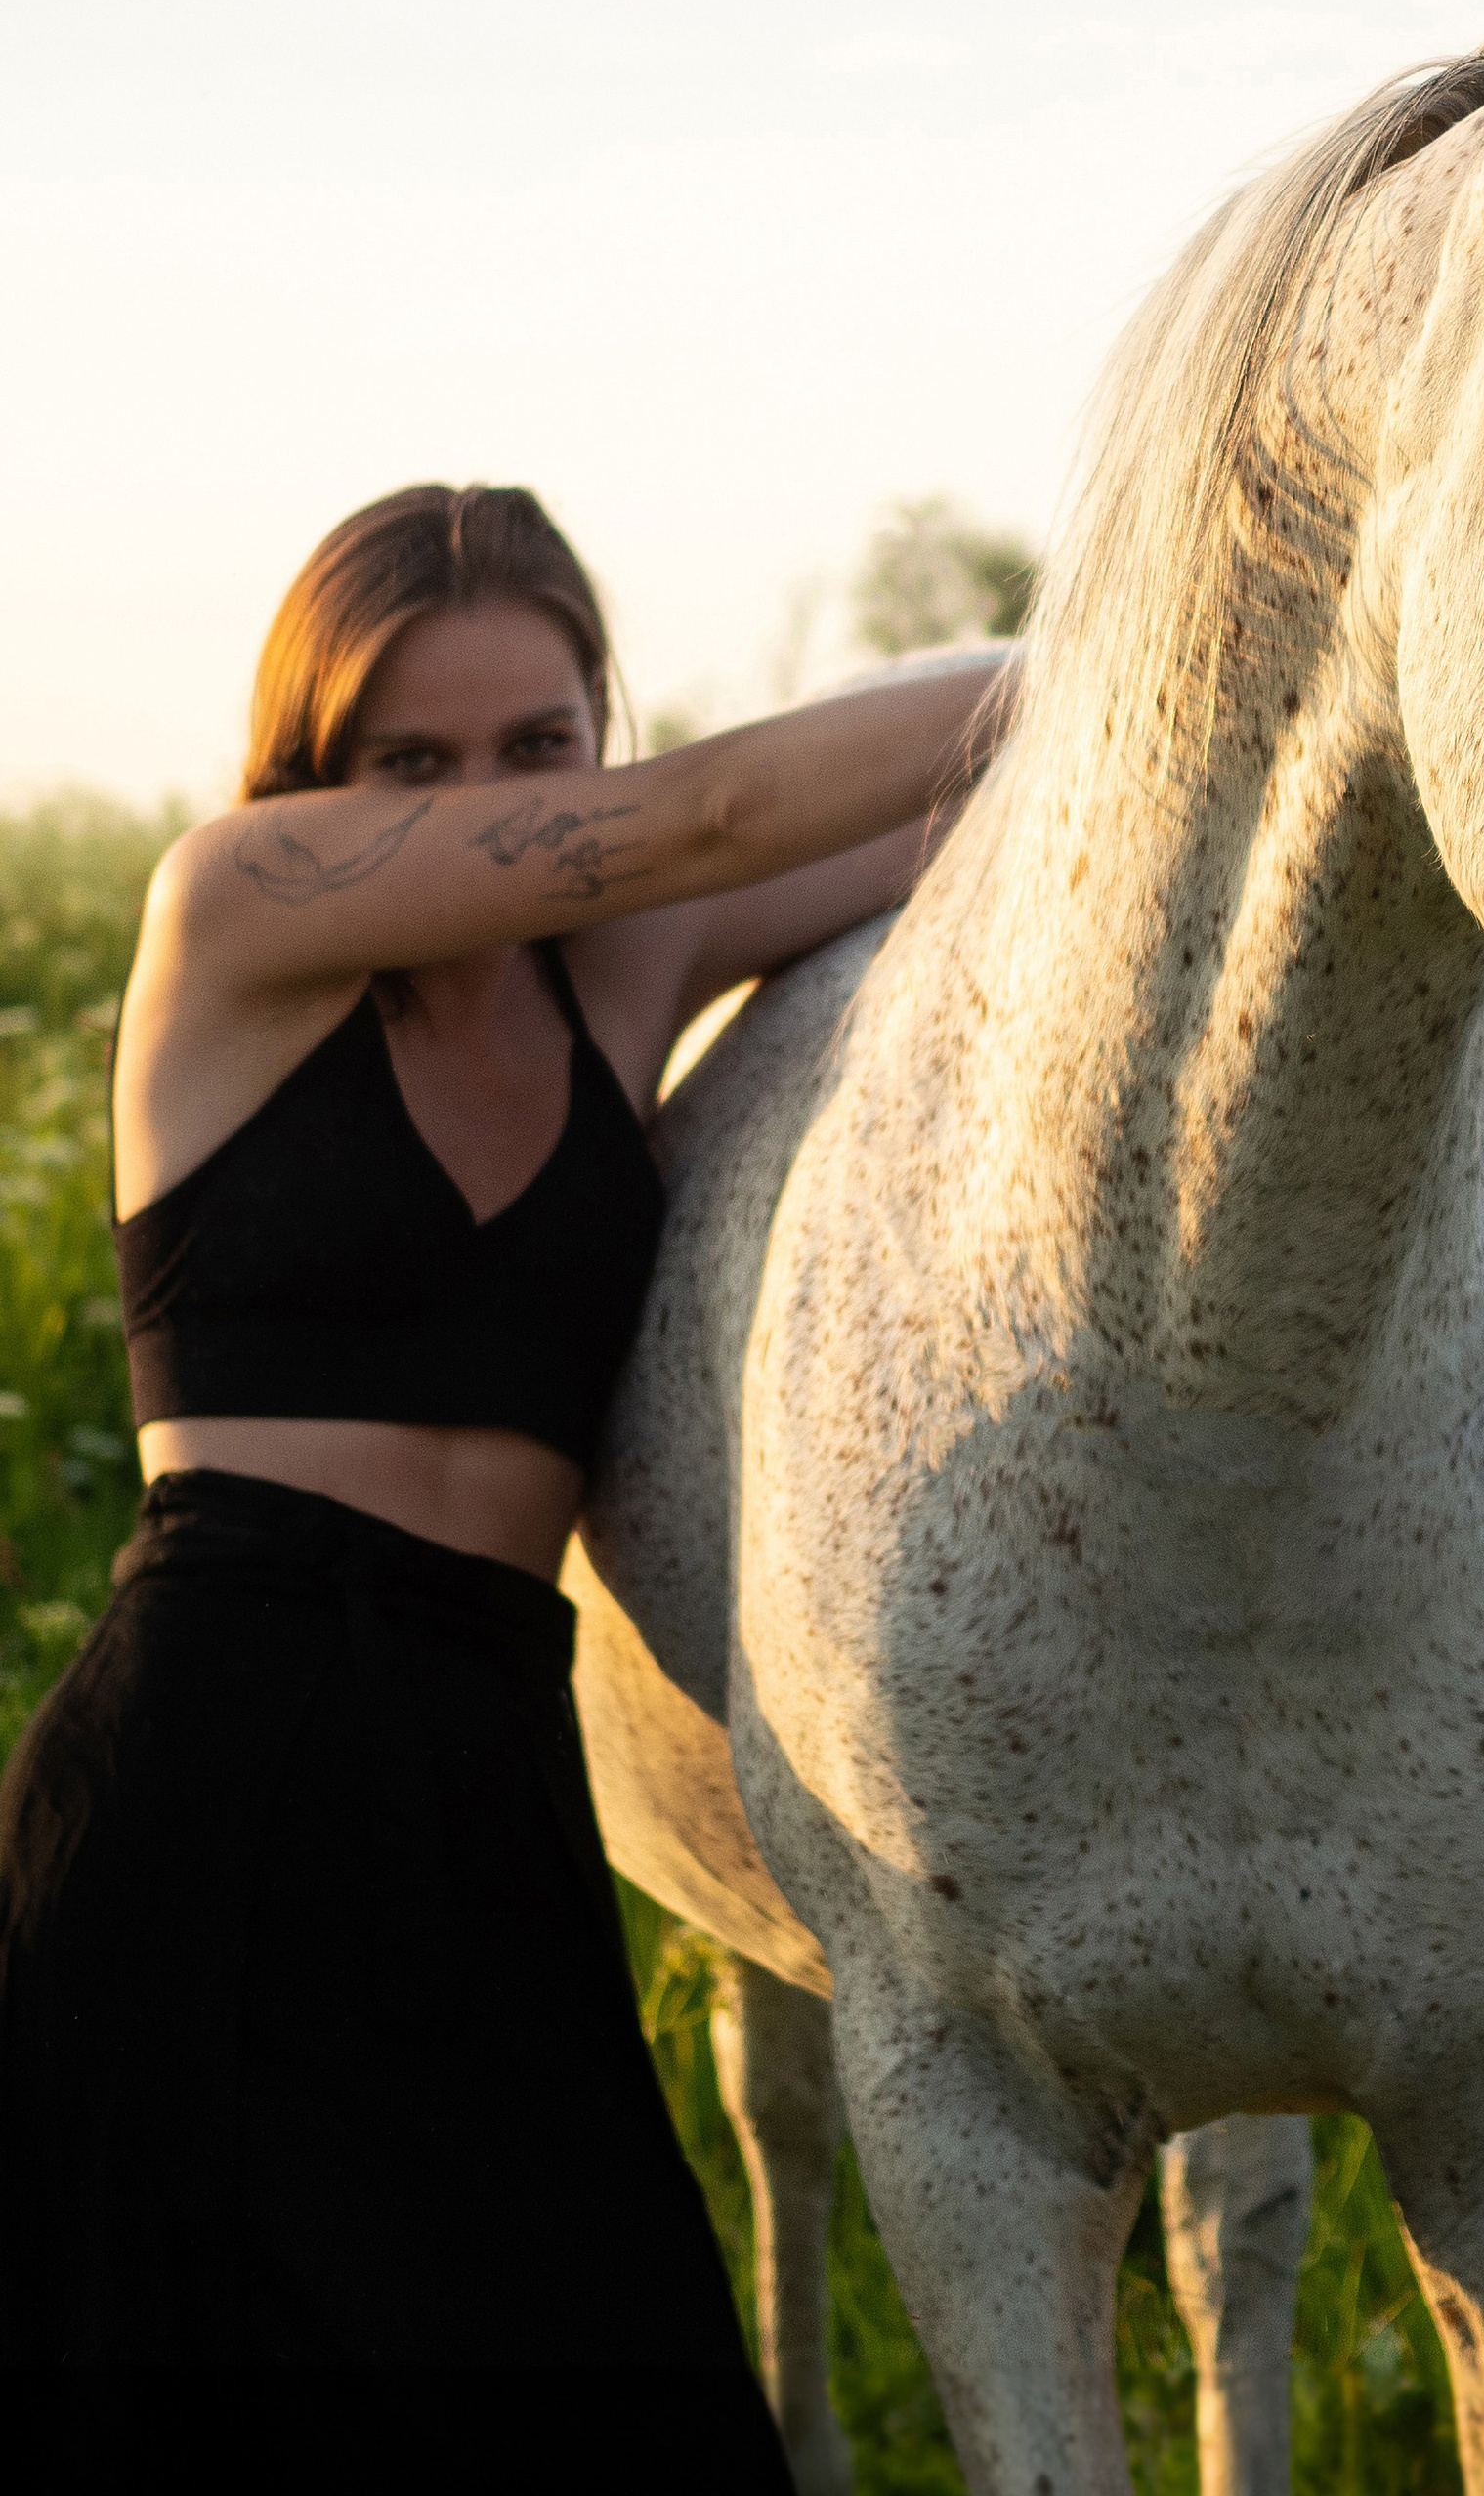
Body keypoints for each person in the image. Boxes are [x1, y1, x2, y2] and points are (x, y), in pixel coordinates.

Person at [0, 483, 1012, 2489]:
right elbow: (732, 811)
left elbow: (999, 813)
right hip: (201, 1803)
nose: (483, 811)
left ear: (598, 739)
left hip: (486, 1809)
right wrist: (1150, 605)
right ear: (318, 772)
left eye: (539, 751)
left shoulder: (621, 962)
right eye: (413, 762)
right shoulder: (236, 915)